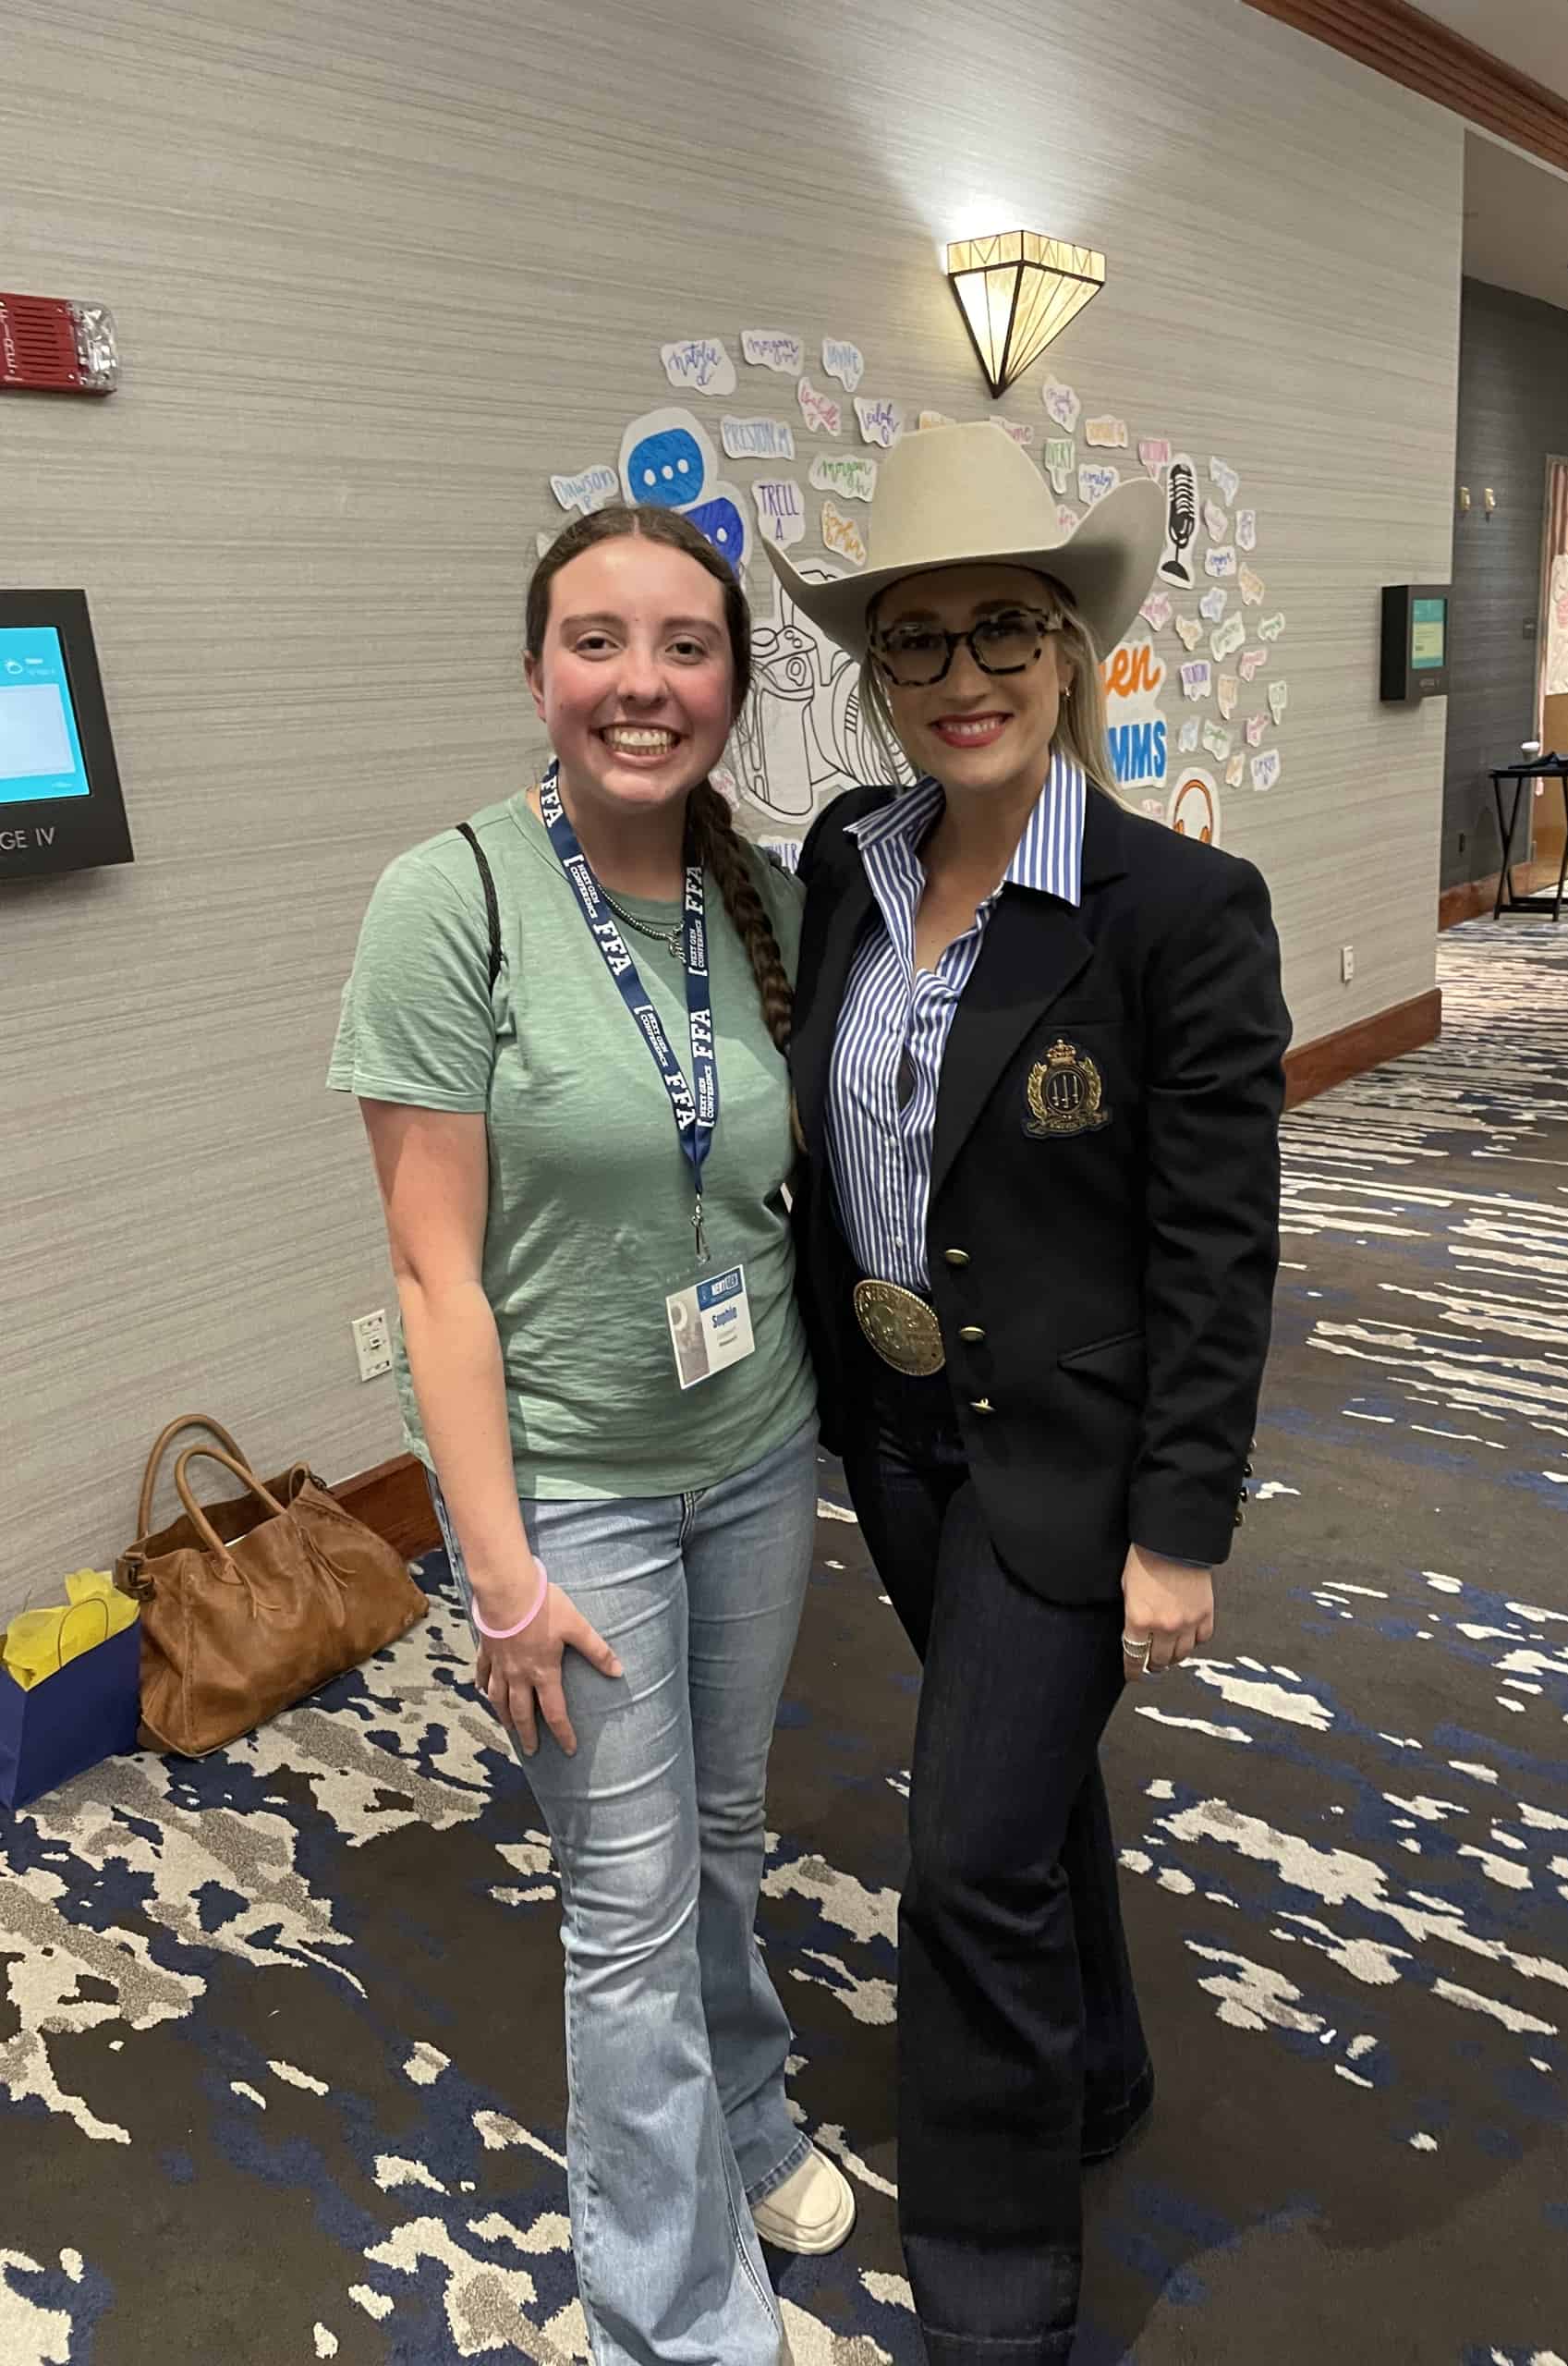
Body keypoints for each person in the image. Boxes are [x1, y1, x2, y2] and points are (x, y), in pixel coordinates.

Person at [761, 421, 1290, 2363]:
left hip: (1064, 1459)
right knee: (1027, 1776)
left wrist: (1180, 1523)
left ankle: (995, 2285)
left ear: (1072, 647)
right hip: (895, 1435)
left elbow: (1215, 1251)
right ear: (878, 674)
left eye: (1005, 628)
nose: (964, 675)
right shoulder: (847, 857)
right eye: (917, 642)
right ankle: (1102, 2073)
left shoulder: (1176, 909)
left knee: (966, 1850)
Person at [328, 504, 854, 2366]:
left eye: (687, 645)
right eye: (600, 641)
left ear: (732, 675)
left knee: (720, 1827)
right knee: (624, 1907)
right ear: (539, 667)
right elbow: (432, 1276)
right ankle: (669, 2308)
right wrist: (497, 1574)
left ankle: (756, 2111)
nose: (645, 684)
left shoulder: (764, 895)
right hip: (576, 1491)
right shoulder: (450, 898)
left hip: (757, 1448)